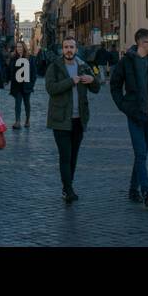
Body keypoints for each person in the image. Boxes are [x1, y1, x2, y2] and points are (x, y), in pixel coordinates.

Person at [111, 29, 148, 207]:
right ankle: (147, 192)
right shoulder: (126, 62)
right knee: (141, 154)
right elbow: (115, 85)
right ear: (140, 43)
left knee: (141, 156)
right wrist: (123, 105)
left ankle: (132, 190)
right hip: (136, 114)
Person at [45, 36, 100, 203]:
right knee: (65, 155)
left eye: (72, 47)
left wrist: (92, 80)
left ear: (76, 49)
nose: (69, 50)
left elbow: (96, 88)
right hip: (61, 119)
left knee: (73, 156)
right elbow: (51, 88)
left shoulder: (83, 66)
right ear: (62, 49)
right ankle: (68, 189)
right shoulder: (55, 67)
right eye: (66, 47)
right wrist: (70, 81)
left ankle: (67, 185)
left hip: (79, 119)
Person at [8, 41, 36, 129]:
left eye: (20, 47)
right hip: (17, 85)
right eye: (17, 47)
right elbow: (11, 70)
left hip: (26, 85)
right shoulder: (13, 58)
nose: (19, 48)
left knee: (27, 103)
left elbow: (34, 73)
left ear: (24, 47)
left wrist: (31, 85)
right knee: (18, 103)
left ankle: (27, 120)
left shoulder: (30, 58)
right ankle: (17, 121)